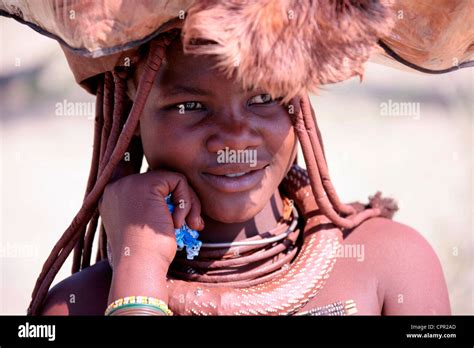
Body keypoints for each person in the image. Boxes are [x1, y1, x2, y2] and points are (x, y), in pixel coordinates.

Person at [36, 33, 450, 316]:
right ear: (133, 113)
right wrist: (138, 268)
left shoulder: (393, 263)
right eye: (190, 106)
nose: (235, 136)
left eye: (265, 97)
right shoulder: (80, 304)